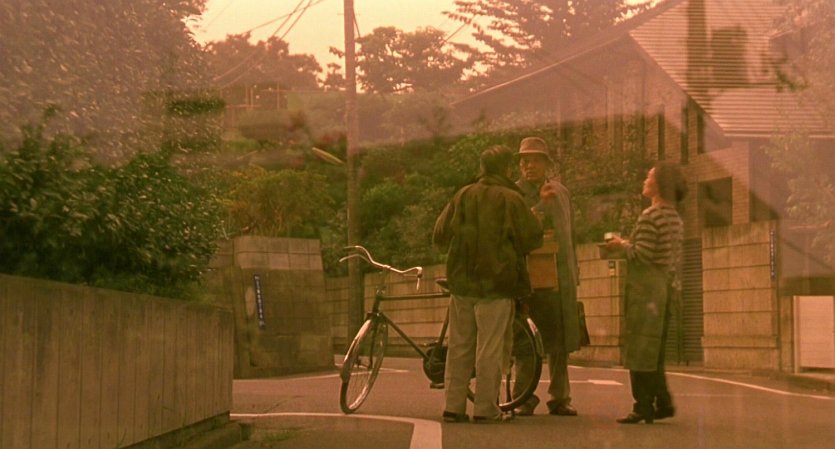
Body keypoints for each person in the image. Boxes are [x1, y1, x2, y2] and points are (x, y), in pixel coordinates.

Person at [433, 145, 543, 424]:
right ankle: (485, 408)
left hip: (461, 283)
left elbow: (440, 234)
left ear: (482, 168)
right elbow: (532, 238)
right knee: (490, 348)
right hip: (497, 284)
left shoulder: (463, 194)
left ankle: (453, 407)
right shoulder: (512, 199)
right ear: (507, 169)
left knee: (459, 346)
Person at [606, 161, 687, 424]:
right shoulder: (675, 218)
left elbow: (642, 255)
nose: (645, 180)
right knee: (655, 351)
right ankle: (662, 402)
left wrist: (621, 244)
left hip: (646, 292)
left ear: (660, 185)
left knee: (639, 348)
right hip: (665, 289)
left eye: (649, 177)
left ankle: (642, 406)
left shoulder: (651, 216)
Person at [512, 137, 582, 417]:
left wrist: (574, 271)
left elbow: (570, 234)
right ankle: (523, 396)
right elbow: (520, 230)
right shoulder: (514, 193)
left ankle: (560, 397)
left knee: (560, 340)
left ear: (546, 164)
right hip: (528, 276)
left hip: (561, 275)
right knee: (525, 341)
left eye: (536, 160)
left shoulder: (561, 192)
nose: (530, 165)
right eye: (525, 160)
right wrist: (540, 206)